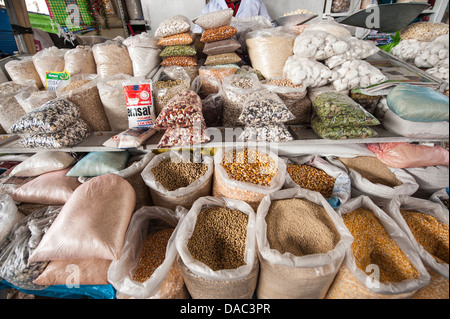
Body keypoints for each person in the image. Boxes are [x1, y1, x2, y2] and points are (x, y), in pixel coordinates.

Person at [193, 0, 272, 33]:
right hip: (220, 53)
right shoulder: (211, 6)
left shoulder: (255, 2)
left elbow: (270, 26)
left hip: (250, 51)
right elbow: (198, 31)